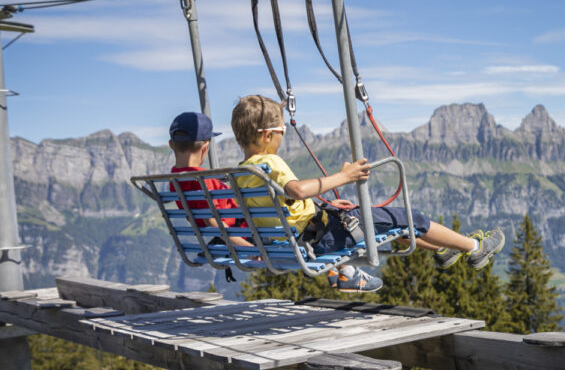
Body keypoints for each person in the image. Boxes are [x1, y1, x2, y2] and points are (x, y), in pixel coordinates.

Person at [229, 94, 504, 292]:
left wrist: (323, 205)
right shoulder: (270, 162)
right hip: (322, 238)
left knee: (381, 221)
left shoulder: (242, 172)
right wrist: (344, 176)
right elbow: (297, 190)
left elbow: (285, 205)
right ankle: (475, 248)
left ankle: (444, 249)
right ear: (266, 136)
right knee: (411, 217)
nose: (282, 136)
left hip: (300, 238)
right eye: (281, 132)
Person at [167, 111, 240, 230]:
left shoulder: (174, 179)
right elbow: (212, 221)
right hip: (240, 233)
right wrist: (247, 246)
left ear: (171, 144)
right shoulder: (202, 180)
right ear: (205, 147)